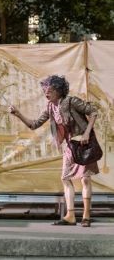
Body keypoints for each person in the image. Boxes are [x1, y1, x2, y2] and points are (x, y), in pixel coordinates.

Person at [8, 75, 99, 227]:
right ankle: (70, 215)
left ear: (59, 90)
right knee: (65, 178)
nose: (46, 93)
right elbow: (34, 124)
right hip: (70, 146)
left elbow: (93, 111)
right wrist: (18, 114)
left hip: (83, 144)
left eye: (49, 90)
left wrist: (87, 133)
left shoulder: (71, 101)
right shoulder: (50, 107)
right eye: (45, 90)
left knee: (85, 179)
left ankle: (86, 216)